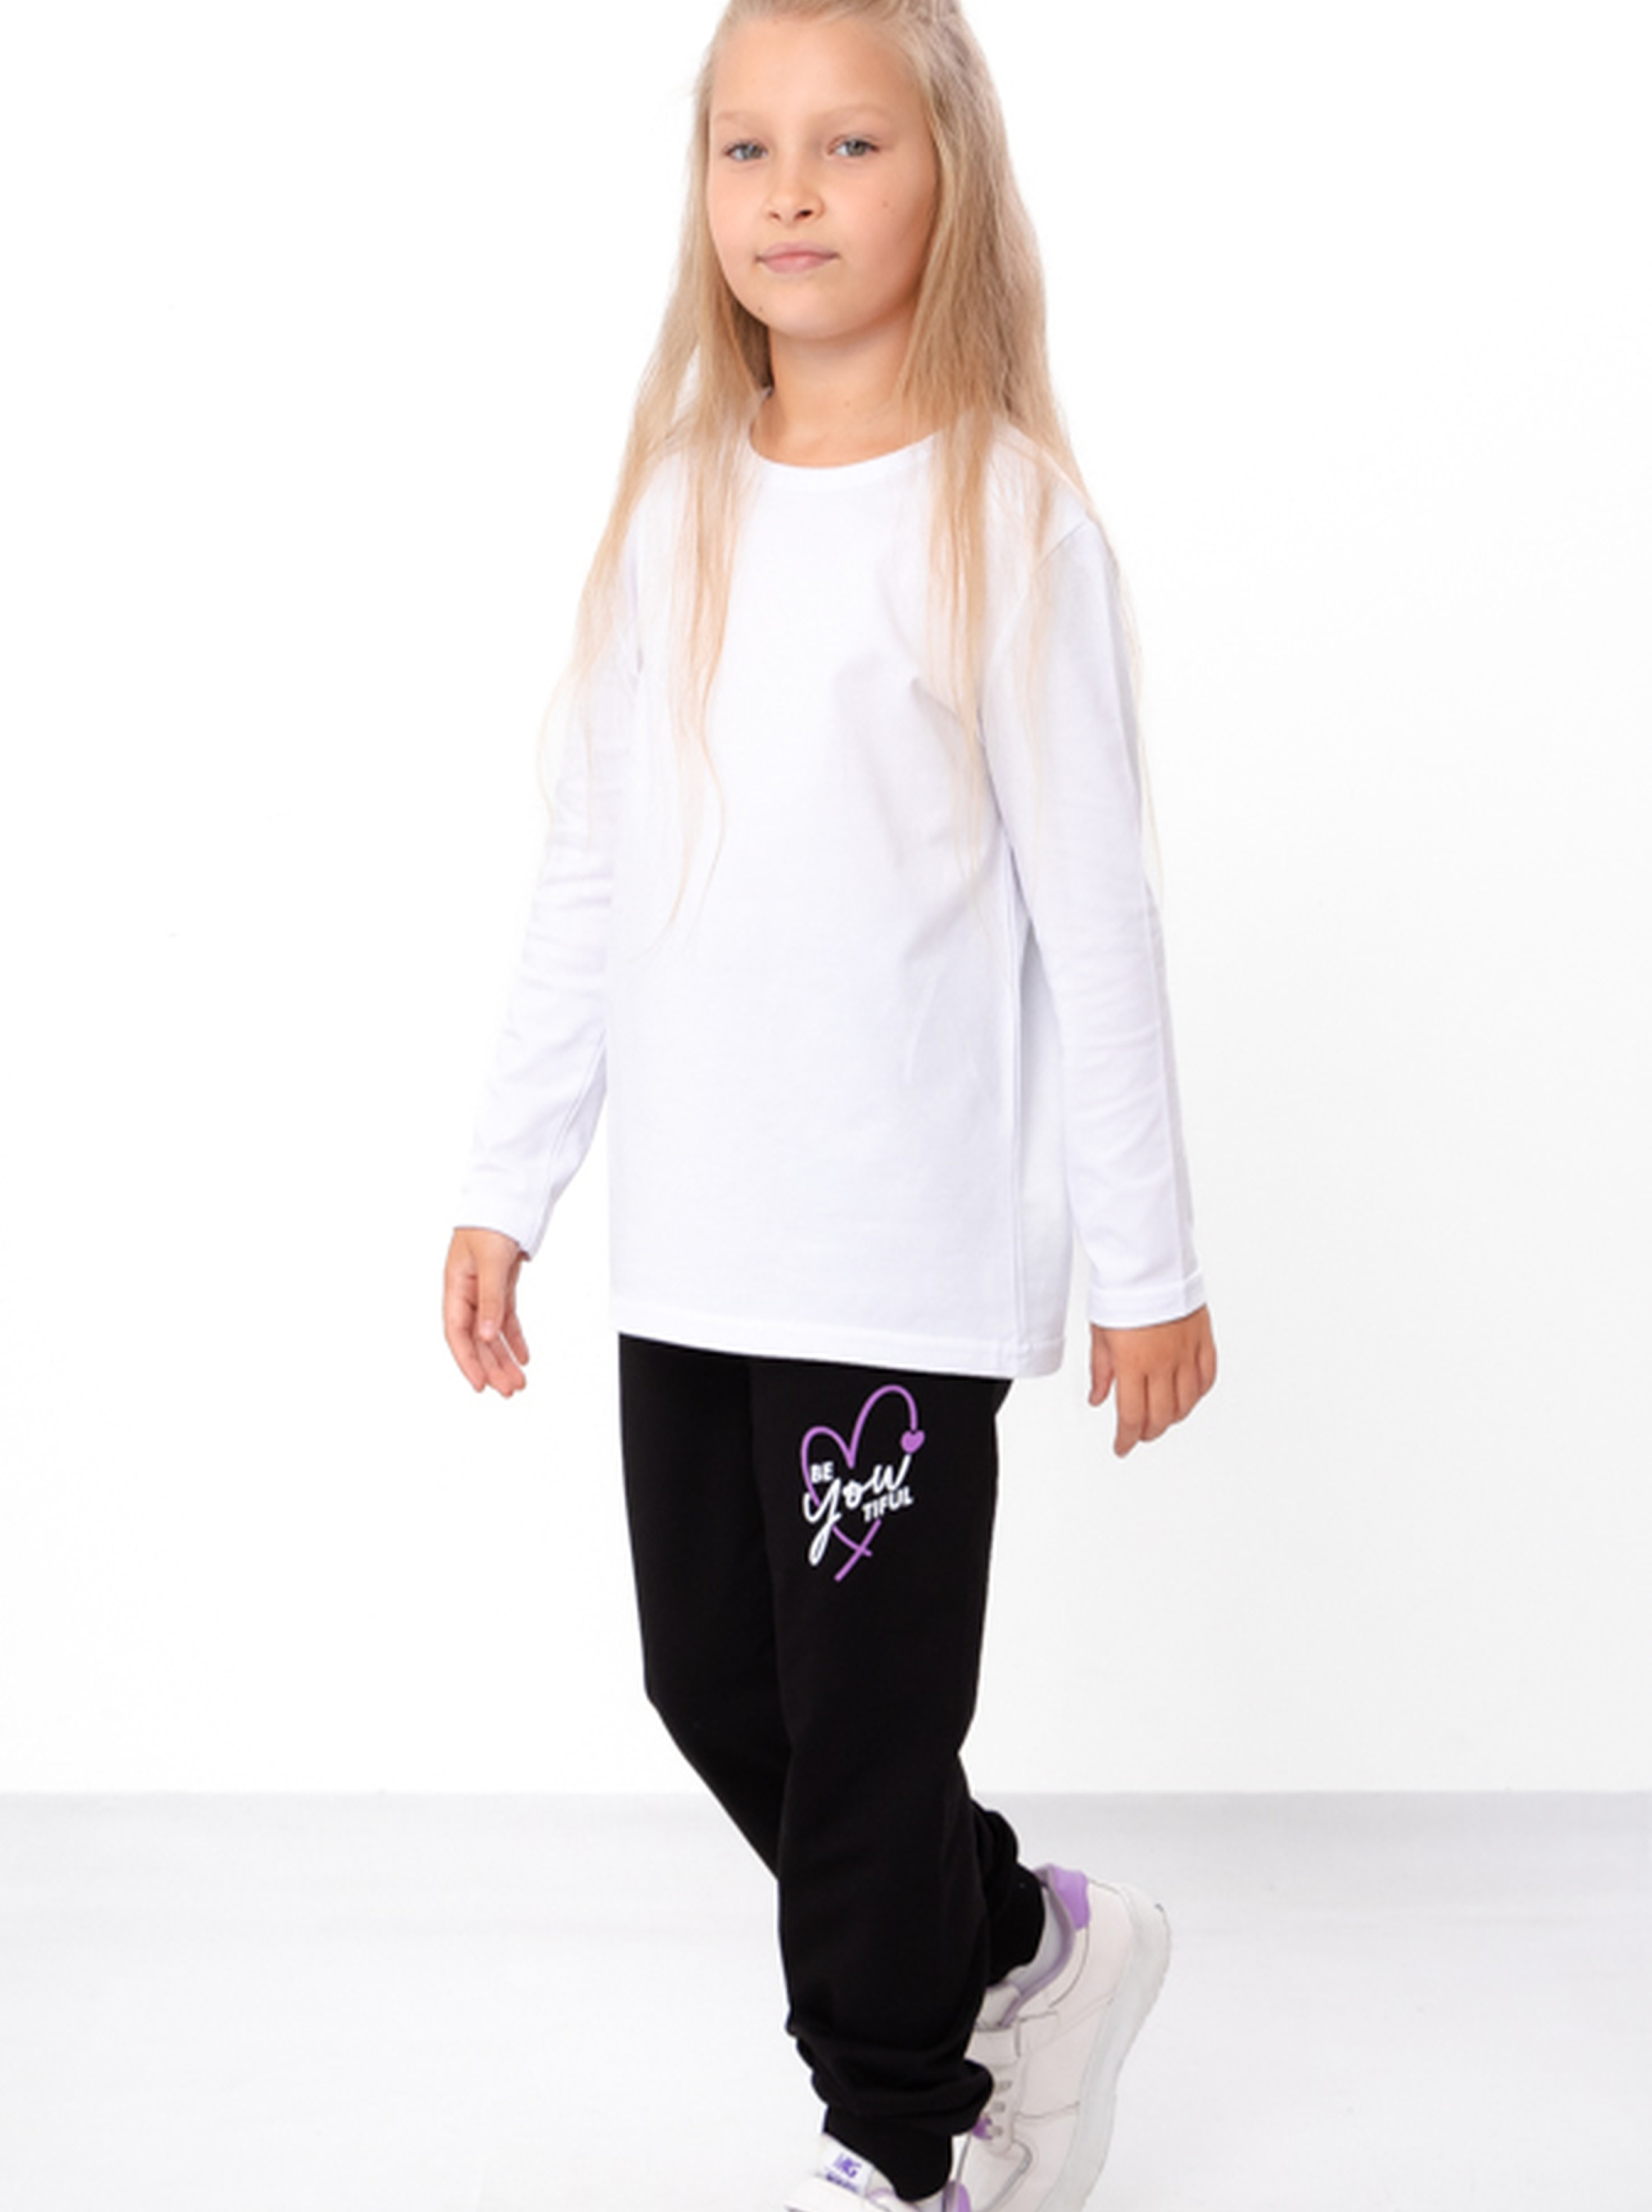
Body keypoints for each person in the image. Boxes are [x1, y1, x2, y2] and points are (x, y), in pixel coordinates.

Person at [442, 3, 1217, 2208]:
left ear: (949, 178)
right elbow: (590, 877)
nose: (788, 190)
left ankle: (900, 2138)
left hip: (895, 1260)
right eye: (745, 146)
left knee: (867, 1736)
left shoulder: (1004, 521)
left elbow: (1096, 920)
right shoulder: (678, 512)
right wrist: (509, 1179)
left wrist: (1149, 1264)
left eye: (850, 143)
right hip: (697, 1245)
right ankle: (1018, 1939)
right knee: (717, 1688)